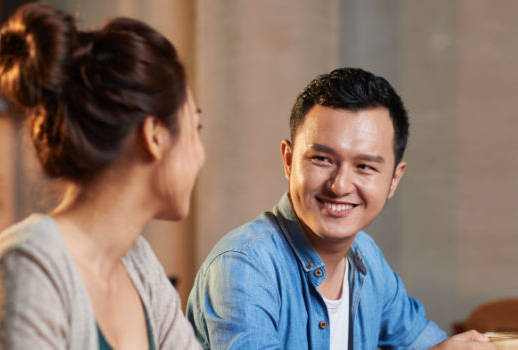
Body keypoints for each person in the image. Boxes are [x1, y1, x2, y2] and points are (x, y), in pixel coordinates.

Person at [186, 68, 493, 349]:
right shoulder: (243, 266)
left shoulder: (367, 258)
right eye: (322, 159)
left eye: (364, 166)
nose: (340, 185)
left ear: (394, 179)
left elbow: (424, 342)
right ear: (288, 160)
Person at [0, 3, 204, 349]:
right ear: (155, 136)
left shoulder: (140, 267)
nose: (200, 156)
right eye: (195, 128)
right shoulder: (29, 267)